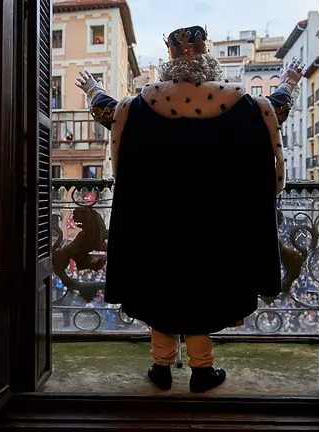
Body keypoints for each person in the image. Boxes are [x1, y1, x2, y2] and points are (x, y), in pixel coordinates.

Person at [75, 25, 304, 393]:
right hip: (217, 228)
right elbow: (274, 111)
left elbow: (107, 111)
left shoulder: (138, 108)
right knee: (204, 289)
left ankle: (161, 367)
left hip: (155, 227)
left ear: (169, 65)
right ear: (208, 60)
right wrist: (290, 80)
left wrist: (90, 87)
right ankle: (202, 370)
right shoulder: (243, 105)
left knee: (159, 288)